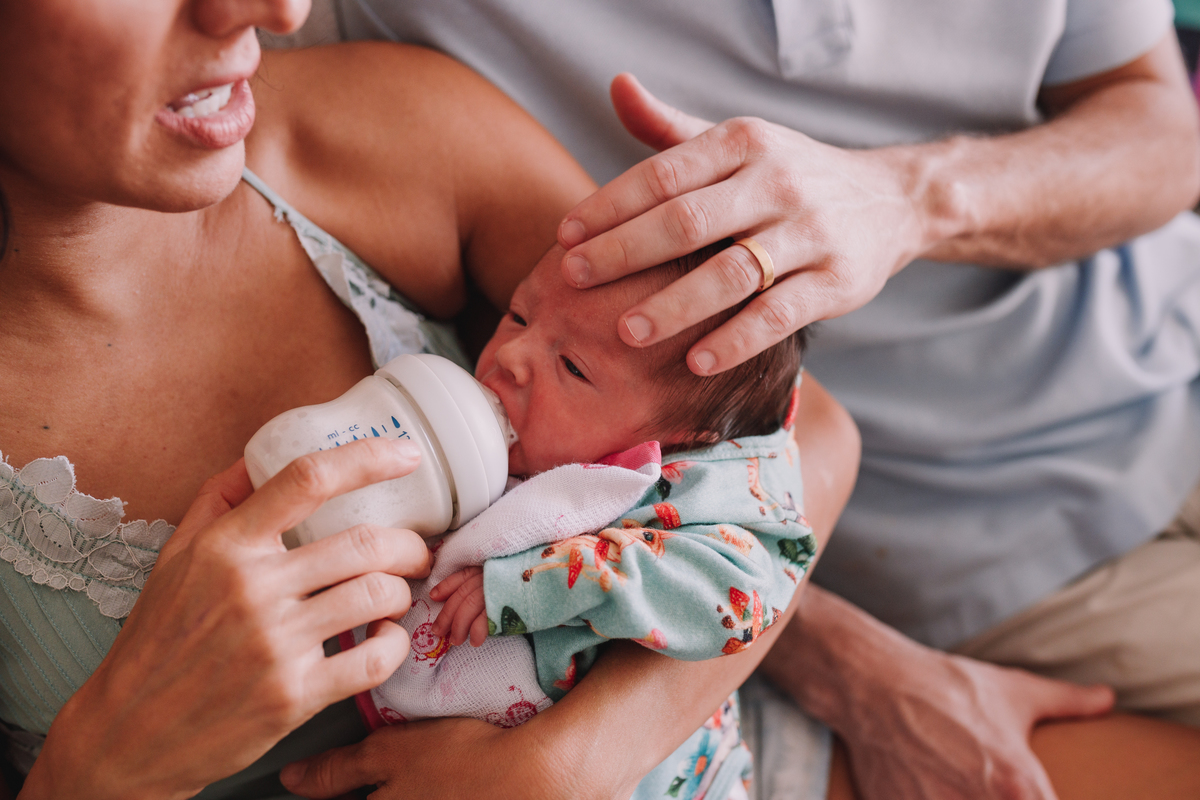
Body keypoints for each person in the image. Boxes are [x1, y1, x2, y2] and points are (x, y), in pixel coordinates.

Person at [330, 0, 1200, 797]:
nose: (513, 357)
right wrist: (845, 664)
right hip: (1000, 541)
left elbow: (1167, 132)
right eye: (517, 318)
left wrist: (910, 198)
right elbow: (730, 543)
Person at [0, 2, 861, 799]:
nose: (279, 10)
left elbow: (796, 441)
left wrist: (563, 766)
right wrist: (107, 760)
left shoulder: (379, 135)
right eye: (517, 317)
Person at [341, 241, 812, 799]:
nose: (512, 355)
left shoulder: (689, 497)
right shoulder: (517, 446)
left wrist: (531, 580)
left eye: (572, 367)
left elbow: (730, 601)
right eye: (518, 315)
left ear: (678, 438)